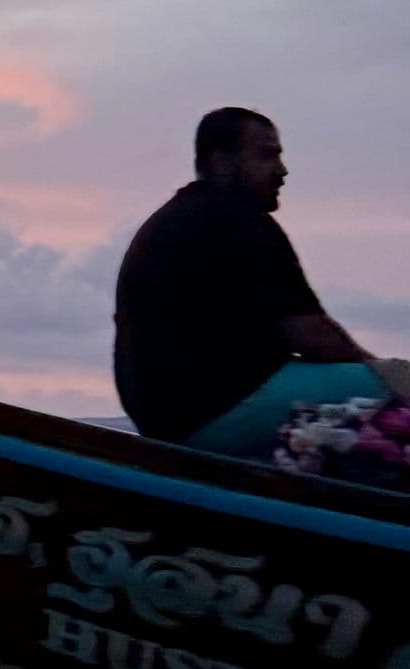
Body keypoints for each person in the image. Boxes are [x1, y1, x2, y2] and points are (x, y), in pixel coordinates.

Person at [113, 108, 382, 457]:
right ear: (222, 162)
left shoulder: (183, 216)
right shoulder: (237, 218)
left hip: (167, 421)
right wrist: (386, 373)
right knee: (390, 389)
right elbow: (313, 336)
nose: (282, 170)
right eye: (268, 156)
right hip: (214, 412)